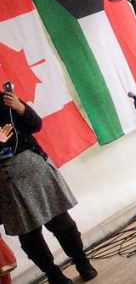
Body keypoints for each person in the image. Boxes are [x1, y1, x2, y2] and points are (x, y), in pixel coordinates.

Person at [0, 89, 96, 284]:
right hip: (8, 184)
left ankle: (83, 263)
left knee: (63, 224)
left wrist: (20, 107)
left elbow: (36, 125)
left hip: (38, 172)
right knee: (30, 237)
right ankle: (55, 276)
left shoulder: (6, 100)